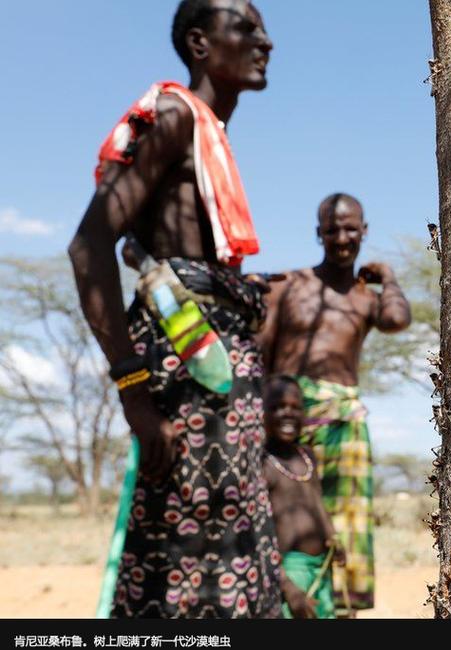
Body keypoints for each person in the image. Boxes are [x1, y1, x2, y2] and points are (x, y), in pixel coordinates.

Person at [68, 0, 282, 618]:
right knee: (187, 543)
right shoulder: (172, 115)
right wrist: (134, 390)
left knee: (229, 534)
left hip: (217, 365)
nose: (265, 40)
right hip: (184, 370)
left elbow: (150, 247)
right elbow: (89, 248)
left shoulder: (210, 134)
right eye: (244, 26)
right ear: (198, 43)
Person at [258, 193, 412, 615]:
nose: (341, 238)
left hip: (345, 418)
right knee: (282, 512)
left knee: (346, 525)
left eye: (350, 229)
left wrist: (389, 276)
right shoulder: (289, 285)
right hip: (289, 416)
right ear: (318, 233)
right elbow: (262, 354)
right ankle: (283, 601)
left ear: (364, 232)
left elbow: (398, 320)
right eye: (332, 229)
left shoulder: (367, 296)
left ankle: (340, 610)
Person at [262, 375, 346, 619]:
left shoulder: (307, 456)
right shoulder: (261, 462)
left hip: (322, 566)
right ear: (261, 412)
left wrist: (331, 535)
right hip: (289, 571)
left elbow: (316, 501)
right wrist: (287, 587)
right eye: (277, 407)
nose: (287, 413)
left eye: (295, 407)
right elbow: (261, 534)